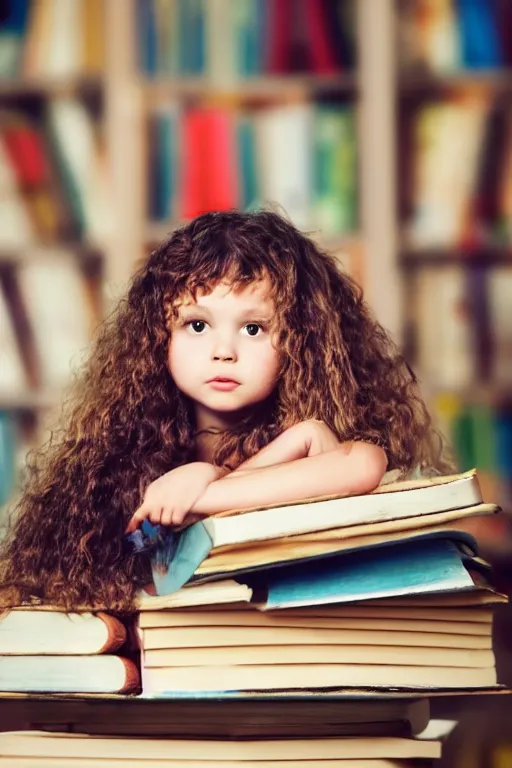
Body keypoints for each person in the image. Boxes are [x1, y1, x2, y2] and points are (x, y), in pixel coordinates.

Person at [0, 210, 451, 612]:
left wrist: (204, 491)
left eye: (253, 328)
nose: (223, 351)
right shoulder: (117, 465)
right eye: (196, 325)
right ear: (158, 338)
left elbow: (364, 463)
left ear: (301, 344)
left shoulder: (303, 437)